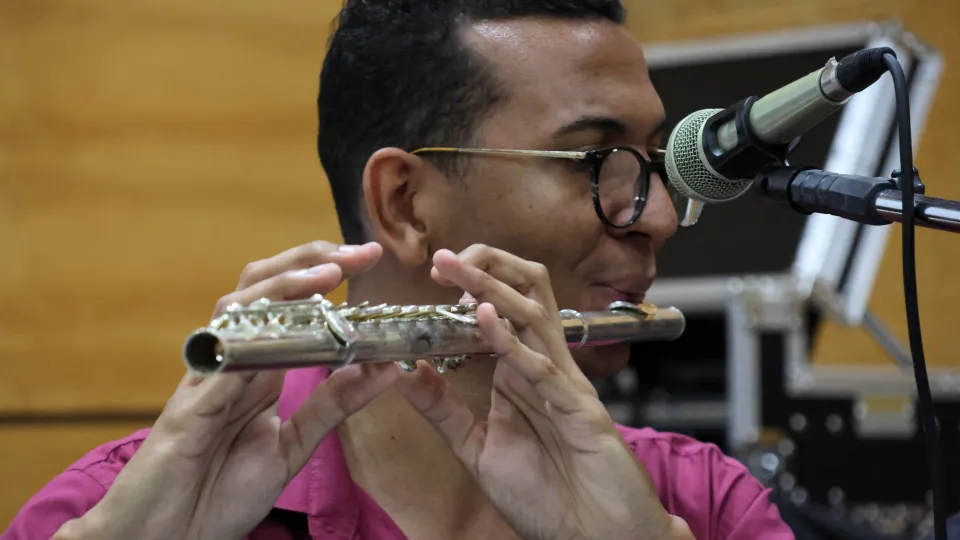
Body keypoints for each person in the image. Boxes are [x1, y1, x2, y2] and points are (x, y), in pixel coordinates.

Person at [5, 1, 796, 539]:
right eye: (597, 159)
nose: (658, 215)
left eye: (651, 163)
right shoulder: (128, 505)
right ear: (406, 204)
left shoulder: (700, 506)